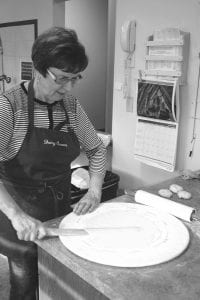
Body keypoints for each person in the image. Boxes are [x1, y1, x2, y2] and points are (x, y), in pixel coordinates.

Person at [0, 26, 107, 300]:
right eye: (62, 78)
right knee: (25, 284)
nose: (69, 87)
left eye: (75, 78)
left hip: (60, 210)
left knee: (58, 281)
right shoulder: (9, 107)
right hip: (20, 214)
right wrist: (17, 215)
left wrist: (94, 191)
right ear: (39, 68)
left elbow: (96, 150)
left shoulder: (70, 106)